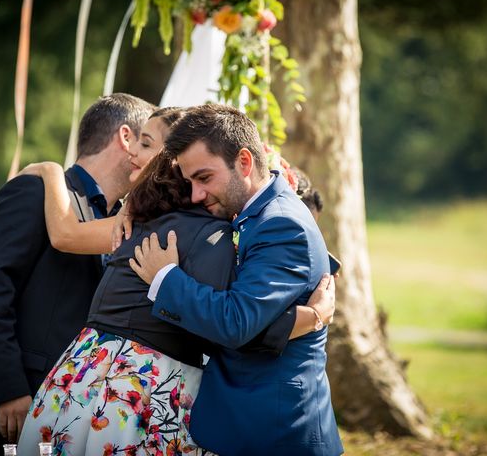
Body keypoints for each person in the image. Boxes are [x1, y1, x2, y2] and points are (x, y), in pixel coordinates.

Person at [16, 149, 335, 456]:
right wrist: (315, 316)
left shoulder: (140, 222)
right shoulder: (209, 236)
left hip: (81, 371)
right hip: (137, 384)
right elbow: (239, 323)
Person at [0, 93, 156, 453]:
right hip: (13, 403)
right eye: (147, 141)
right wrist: (10, 389)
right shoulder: (35, 192)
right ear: (126, 138)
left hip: (74, 408)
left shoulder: (124, 219)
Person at [129, 104, 344, 455]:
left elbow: (236, 321)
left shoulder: (280, 224)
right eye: (190, 182)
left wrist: (166, 278)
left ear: (244, 162)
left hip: (274, 430)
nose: (196, 194)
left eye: (204, 178)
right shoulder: (253, 213)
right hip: (248, 424)